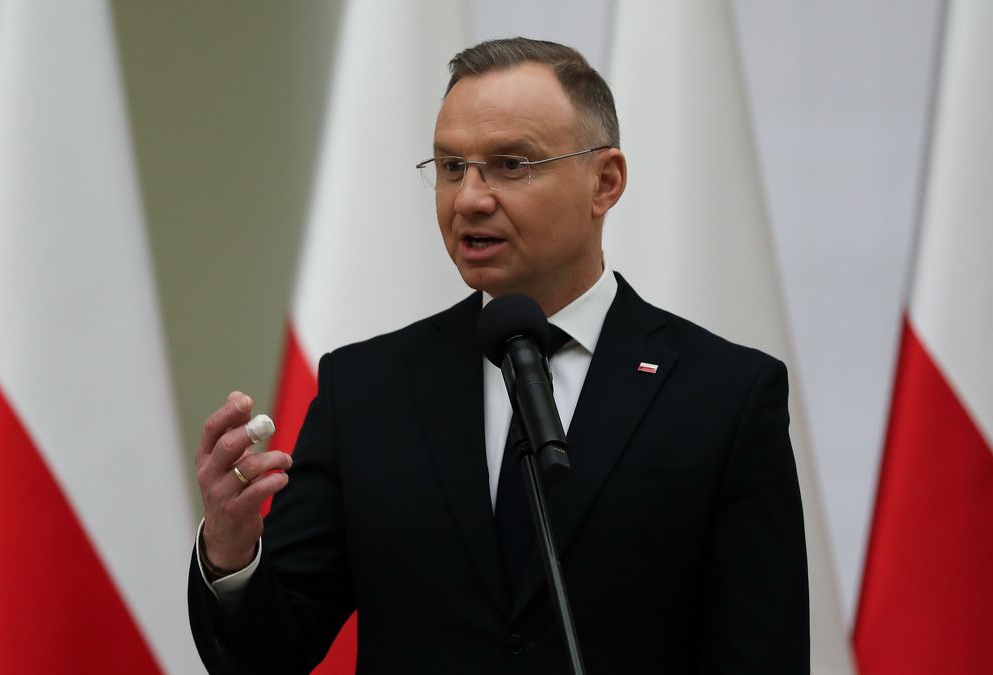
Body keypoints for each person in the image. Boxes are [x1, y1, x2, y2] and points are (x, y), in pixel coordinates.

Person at [188, 37, 809, 674]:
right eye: (451, 167)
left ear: (606, 182)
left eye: (511, 164)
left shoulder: (724, 396)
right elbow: (266, 654)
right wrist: (232, 554)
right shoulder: (367, 390)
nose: (469, 199)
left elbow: (763, 654)